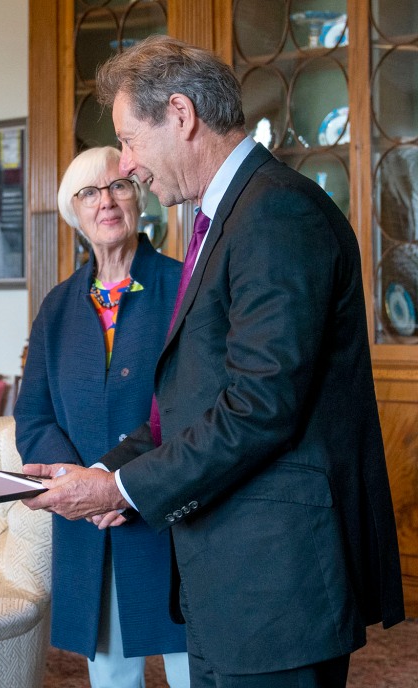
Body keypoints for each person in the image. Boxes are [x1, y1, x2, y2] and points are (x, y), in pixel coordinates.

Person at [21, 35, 404, 688]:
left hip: (276, 585)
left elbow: (258, 407)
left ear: (180, 114)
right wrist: (104, 471)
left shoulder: (275, 213)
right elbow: (188, 400)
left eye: (130, 140)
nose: (127, 165)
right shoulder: (224, 216)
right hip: (229, 580)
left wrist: (119, 490)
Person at [14, 146, 189, 688]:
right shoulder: (58, 307)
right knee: (112, 676)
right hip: (92, 525)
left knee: (195, 672)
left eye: (118, 186)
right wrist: (77, 485)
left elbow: (190, 406)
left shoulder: (184, 286)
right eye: (89, 192)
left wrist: (115, 482)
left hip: (171, 510)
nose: (105, 201)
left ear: (139, 196)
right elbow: (34, 414)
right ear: (74, 209)